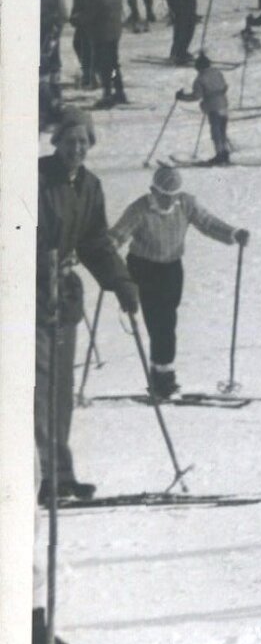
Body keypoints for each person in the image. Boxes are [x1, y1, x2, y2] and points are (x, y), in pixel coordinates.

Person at [37, 109, 138, 510]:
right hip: (26, 296)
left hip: (62, 297)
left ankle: (60, 474)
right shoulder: (35, 177)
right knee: (39, 386)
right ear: (56, 140)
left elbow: (95, 242)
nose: (76, 148)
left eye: (84, 141)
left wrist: (121, 282)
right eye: (70, 139)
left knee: (61, 388)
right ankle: (41, 474)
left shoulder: (90, 186)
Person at [110, 164, 248, 397]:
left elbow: (207, 222)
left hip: (172, 267)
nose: (168, 202)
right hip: (143, 267)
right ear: (153, 191)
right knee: (159, 322)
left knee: (168, 321)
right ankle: (163, 379)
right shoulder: (140, 209)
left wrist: (233, 234)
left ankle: (160, 372)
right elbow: (118, 234)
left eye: (172, 196)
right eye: (164, 196)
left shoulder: (185, 203)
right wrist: (107, 251)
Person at [80, 0, 128, 106]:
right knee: (113, 65)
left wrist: (78, 19)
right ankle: (118, 91)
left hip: (102, 35)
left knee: (104, 66)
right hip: (114, 34)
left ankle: (107, 92)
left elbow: (91, 15)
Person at [180, 50, 234, 163]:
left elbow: (196, 96)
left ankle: (220, 154)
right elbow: (225, 86)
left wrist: (182, 97)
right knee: (222, 130)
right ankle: (225, 152)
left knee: (216, 132)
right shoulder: (217, 72)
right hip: (224, 105)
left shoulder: (200, 79)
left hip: (213, 107)